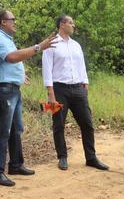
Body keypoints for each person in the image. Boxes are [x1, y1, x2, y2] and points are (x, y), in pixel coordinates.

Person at [0, 9, 57, 186]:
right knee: (2, 131)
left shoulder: (6, 39)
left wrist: (19, 76)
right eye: (12, 19)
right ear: (3, 21)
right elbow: (11, 58)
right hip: (2, 91)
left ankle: (16, 165)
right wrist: (39, 47)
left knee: (16, 128)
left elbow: (8, 62)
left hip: (11, 89)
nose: (15, 22)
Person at [42, 14, 109, 171]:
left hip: (78, 89)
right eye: (71, 23)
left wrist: (85, 84)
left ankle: (91, 158)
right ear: (62, 24)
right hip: (59, 90)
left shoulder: (76, 45)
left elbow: (81, 66)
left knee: (87, 123)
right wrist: (50, 93)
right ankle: (62, 157)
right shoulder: (51, 44)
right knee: (58, 124)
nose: (74, 25)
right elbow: (46, 69)